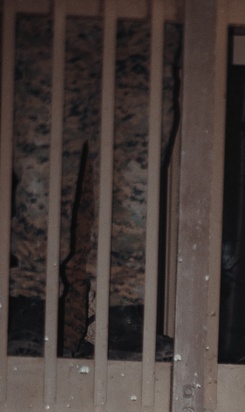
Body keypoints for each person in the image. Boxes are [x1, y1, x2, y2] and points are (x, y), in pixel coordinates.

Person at [8, 13, 177, 358]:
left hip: (147, 25)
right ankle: (31, 306)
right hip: (57, 21)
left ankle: (124, 314)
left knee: (136, 187)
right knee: (40, 175)